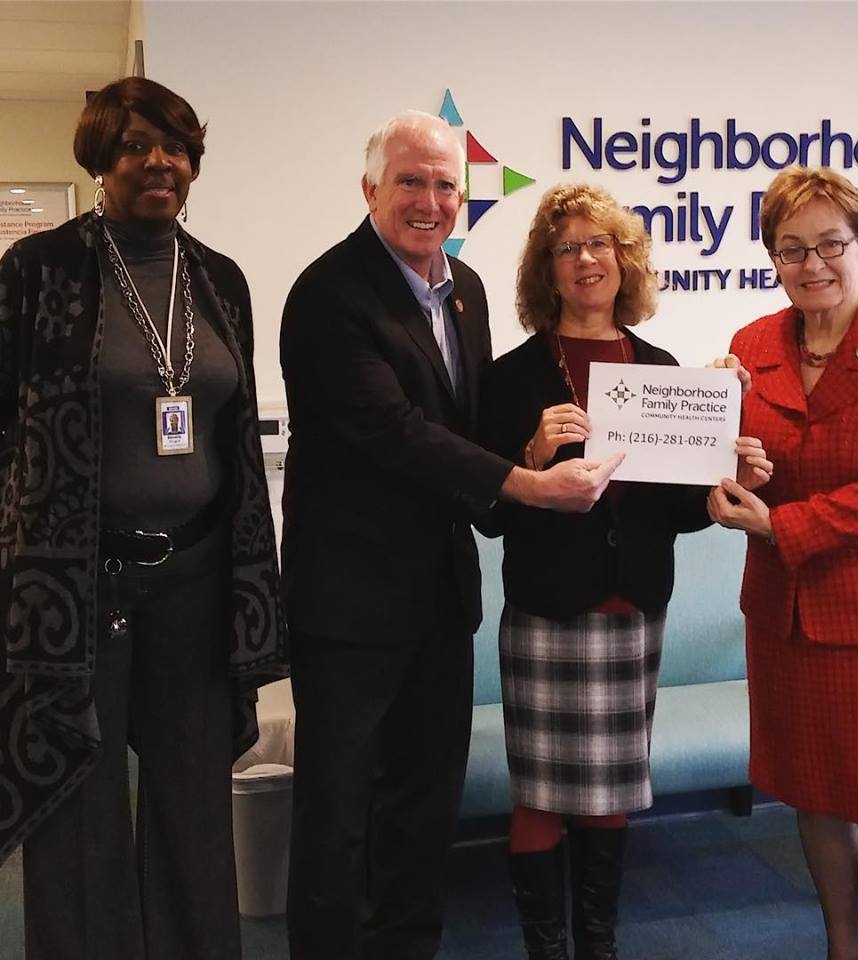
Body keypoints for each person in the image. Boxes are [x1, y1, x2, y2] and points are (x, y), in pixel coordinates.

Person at [279, 113, 624, 960]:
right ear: (370, 190)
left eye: (444, 185)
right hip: (350, 608)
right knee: (337, 815)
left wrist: (528, 451)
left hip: (440, 598)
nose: (429, 201)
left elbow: (461, 430)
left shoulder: (463, 291)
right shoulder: (328, 295)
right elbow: (396, 433)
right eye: (410, 181)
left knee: (421, 806)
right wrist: (527, 482)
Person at [0, 77, 287, 959]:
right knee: (79, 804)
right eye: (134, 146)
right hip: (77, 585)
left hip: (198, 583)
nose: (159, 162)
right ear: (99, 160)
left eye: (176, 147)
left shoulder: (219, 279)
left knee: (192, 805)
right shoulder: (40, 268)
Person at [478, 183, 771, 960]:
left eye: (600, 244)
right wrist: (532, 457)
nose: (585, 260)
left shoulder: (662, 368)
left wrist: (722, 480)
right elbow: (490, 513)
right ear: (547, 268)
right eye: (567, 247)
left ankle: (598, 944)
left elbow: (676, 511)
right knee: (540, 796)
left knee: (611, 794)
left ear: (625, 261)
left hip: (632, 608)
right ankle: (547, 947)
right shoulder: (510, 378)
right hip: (547, 612)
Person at [708, 165, 858, 960]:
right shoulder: (750, 347)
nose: (812, 265)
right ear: (772, 258)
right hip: (784, 615)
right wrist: (726, 466)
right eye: (790, 249)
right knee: (813, 796)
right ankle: (841, 945)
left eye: (829, 245)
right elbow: (746, 469)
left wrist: (779, 524)